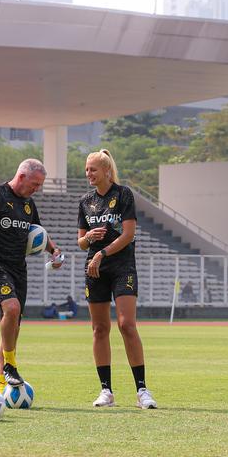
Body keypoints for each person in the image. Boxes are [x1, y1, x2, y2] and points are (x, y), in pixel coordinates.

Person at [0, 158, 63, 393]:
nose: (37, 189)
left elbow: (39, 231)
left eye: (40, 185)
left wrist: (54, 251)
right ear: (21, 176)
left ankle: (2, 384)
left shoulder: (29, 204)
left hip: (19, 270)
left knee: (14, 327)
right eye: (35, 183)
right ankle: (10, 366)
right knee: (11, 308)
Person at [77, 149, 157, 410]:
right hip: (94, 270)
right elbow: (80, 242)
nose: (89, 174)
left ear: (107, 171)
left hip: (122, 268)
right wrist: (89, 239)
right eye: (87, 169)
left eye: (93, 169)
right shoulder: (85, 201)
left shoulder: (123, 195)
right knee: (100, 329)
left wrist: (102, 252)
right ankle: (106, 391)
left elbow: (128, 235)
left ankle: (142, 390)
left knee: (126, 325)